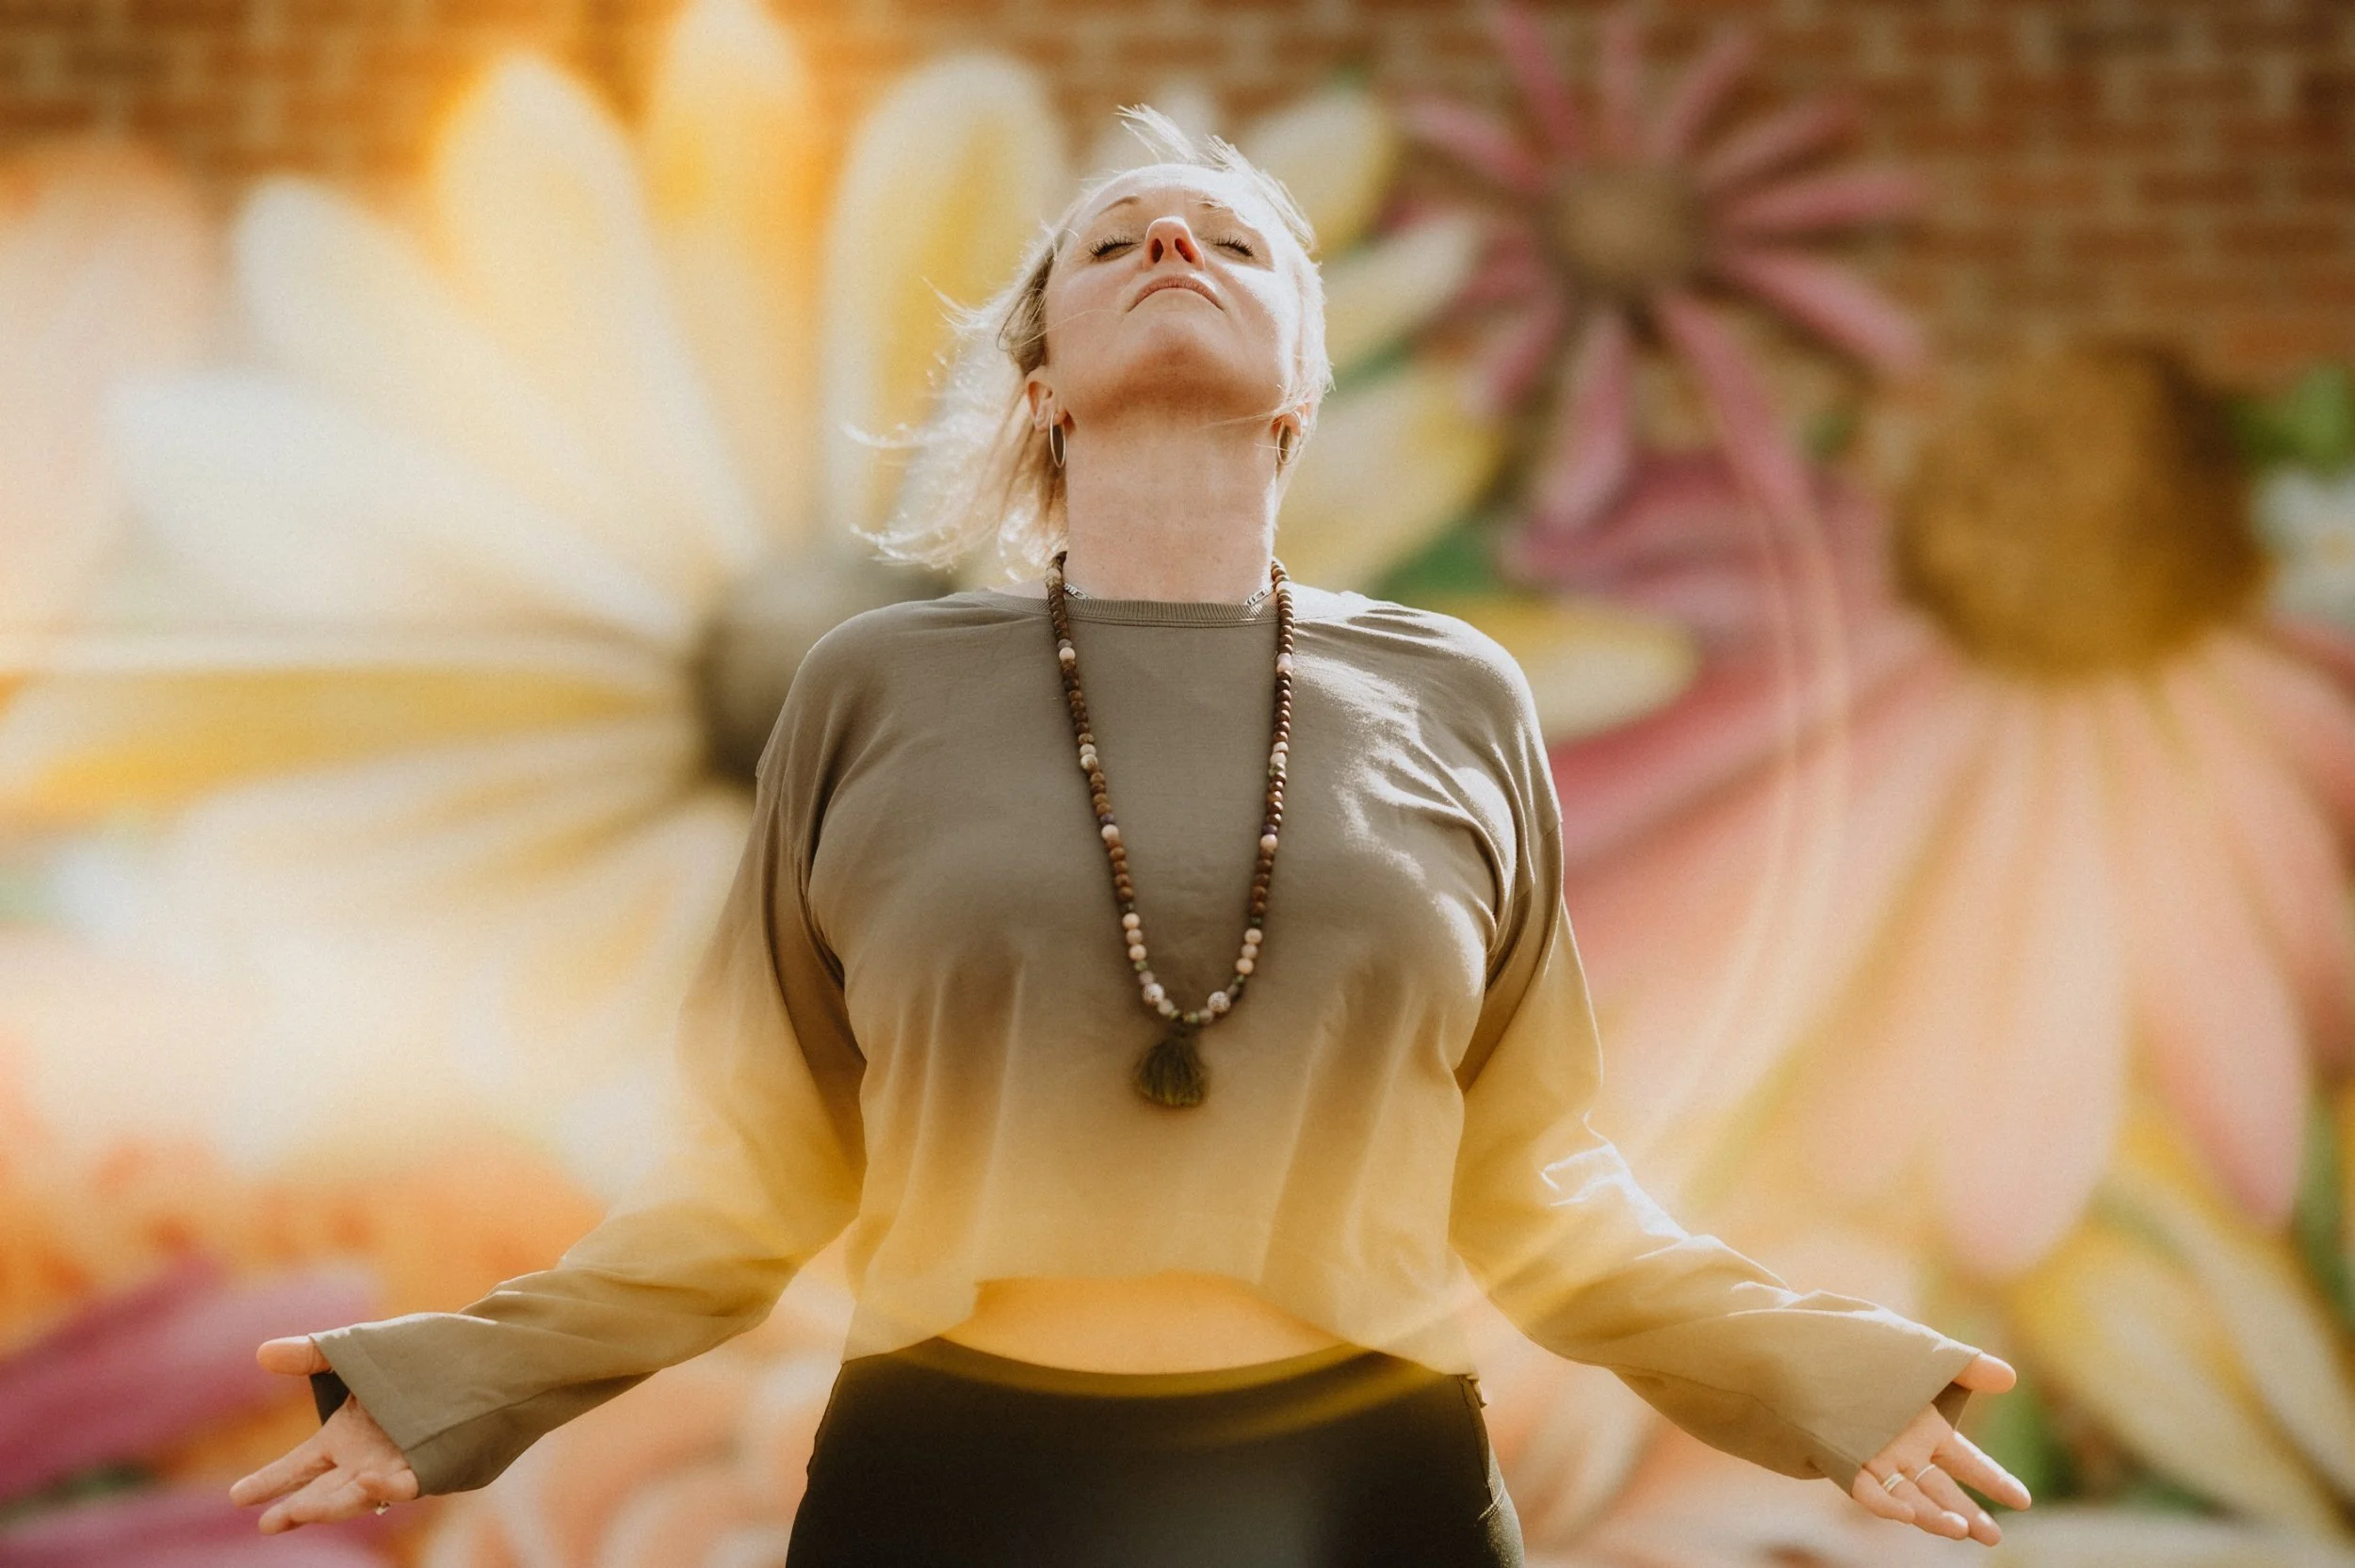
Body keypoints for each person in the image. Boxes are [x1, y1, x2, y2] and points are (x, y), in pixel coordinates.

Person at [229, 108, 2032, 1564]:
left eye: (1237, 242)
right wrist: (460, 1380)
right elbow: (753, 1173)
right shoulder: (870, 686)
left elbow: (1540, 1190)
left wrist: (1824, 1374)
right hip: (947, 1488)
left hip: (1368, 1489)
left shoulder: (1461, 693)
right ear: (1040, 384)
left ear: (1303, 392)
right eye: (1116, 239)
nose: (1177, 245)